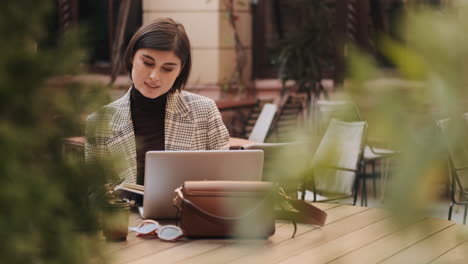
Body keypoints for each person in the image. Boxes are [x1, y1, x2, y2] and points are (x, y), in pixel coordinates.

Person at [85, 18, 230, 185]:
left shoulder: (204, 111)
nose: (154, 76)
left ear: (180, 70)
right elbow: (96, 195)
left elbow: (226, 183)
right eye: (147, 63)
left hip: (191, 211)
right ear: (132, 57)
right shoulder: (99, 122)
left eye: (167, 68)